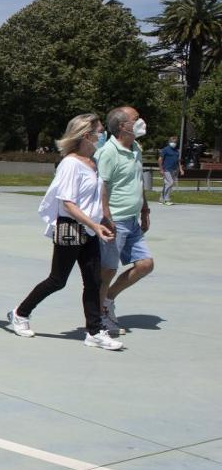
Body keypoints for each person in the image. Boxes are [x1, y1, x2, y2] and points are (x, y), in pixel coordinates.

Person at [8, 114, 122, 349]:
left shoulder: (93, 162)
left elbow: (96, 195)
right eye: (99, 132)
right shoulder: (71, 163)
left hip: (91, 230)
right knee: (57, 280)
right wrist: (94, 225)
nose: (103, 136)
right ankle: (20, 313)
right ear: (86, 135)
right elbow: (68, 202)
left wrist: (105, 219)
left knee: (93, 281)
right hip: (71, 228)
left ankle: (94, 331)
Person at [96, 105, 154, 336]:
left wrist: (145, 208)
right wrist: (106, 217)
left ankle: (108, 299)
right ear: (123, 126)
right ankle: (99, 315)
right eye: (136, 119)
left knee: (145, 264)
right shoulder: (108, 152)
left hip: (132, 218)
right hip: (115, 220)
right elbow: (101, 187)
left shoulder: (135, 147)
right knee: (108, 270)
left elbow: (138, 181)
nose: (141, 122)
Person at [158, 136, 184, 205]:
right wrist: (161, 169)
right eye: (172, 142)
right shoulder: (165, 149)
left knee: (167, 184)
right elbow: (160, 159)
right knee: (170, 183)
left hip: (174, 169)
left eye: (175, 142)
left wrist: (181, 169)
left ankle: (161, 199)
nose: (174, 143)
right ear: (169, 142)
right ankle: (167, 199)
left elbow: (178, 161)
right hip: (166, 169)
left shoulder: (176, 150)